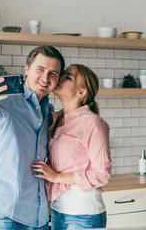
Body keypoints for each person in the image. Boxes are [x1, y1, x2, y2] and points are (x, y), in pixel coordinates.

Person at [0, 45, 65, 230]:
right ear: (27, 68)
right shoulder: (6, 99)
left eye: (53, 73)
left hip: (38, 216)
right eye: (40, 70)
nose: (45, 78)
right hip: (3, 214)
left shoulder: (48, 111)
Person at [31, 64, 112, 230]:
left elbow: (102, 174)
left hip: (84, 212)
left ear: (81, 92)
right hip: (57, 210)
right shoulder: (53, 118)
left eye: (68, 77)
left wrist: (57, 177)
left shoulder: (93, 123)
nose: (59, 78)